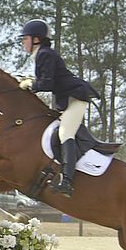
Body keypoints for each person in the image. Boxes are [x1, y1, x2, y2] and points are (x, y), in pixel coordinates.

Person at [17, 19, 100, 197]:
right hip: (68, 99)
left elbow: (46, 83)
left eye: (25, 38)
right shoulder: (42, 54)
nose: (23, 42)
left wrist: (30, 83)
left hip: (76, 97)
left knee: (65, 133)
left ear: (36, 39)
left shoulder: (44, 54)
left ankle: (67, 181)